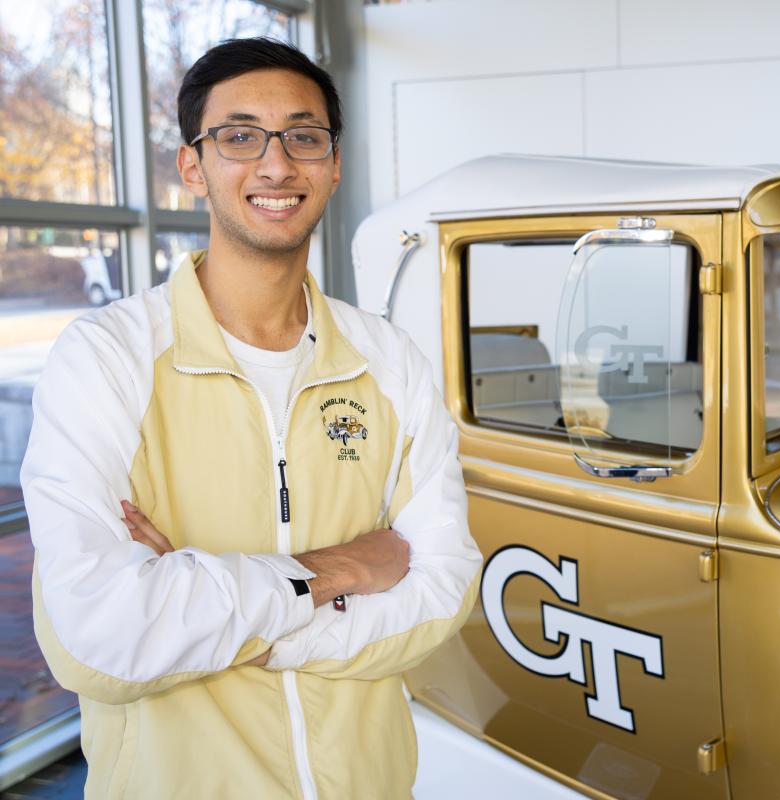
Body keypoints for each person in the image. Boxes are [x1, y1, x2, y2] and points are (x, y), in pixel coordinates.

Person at [20, 37, 481, 799]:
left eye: (304, 137)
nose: (275, 165)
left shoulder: (387, 359)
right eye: (239, 137)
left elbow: (443, 587)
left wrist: (210, 616)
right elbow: (95, 640)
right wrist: (339, 571)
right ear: (193, 166)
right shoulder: (108, 357)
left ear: (333, 164)